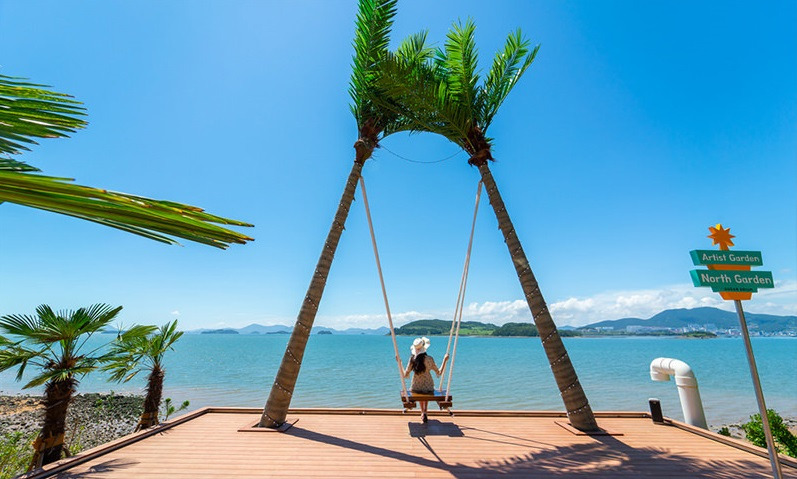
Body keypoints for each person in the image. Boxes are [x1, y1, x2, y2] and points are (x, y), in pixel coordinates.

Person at [403, 337, 449, 423]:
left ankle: (422, 412)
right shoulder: (429, 359)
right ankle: (425, 412)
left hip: (415, 387)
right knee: (425, 390)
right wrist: (445, 360)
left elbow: (405, 375)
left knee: (420, 390)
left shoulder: (412, 359)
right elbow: (439, 372)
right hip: (429, 387)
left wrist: (400, 363)